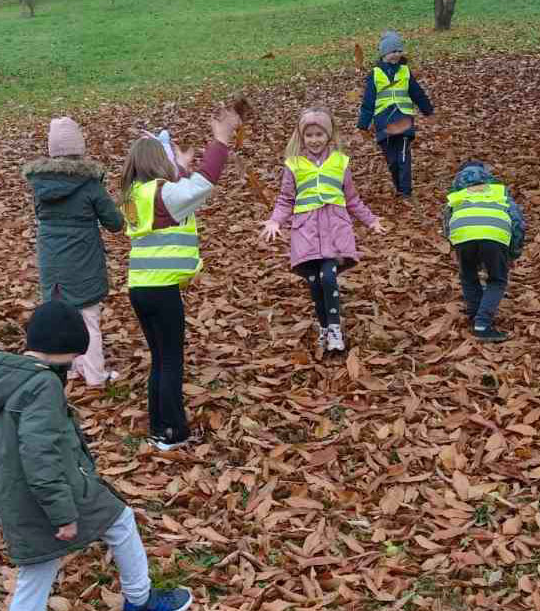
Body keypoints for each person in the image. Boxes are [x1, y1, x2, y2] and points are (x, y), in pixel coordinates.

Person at [0, 300, 193, 611]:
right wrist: (63, 514)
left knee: (41, 568)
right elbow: (40, 456)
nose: (76, 362)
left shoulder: (0, 381)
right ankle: (139, 602)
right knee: (117, 524)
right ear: (62, 347)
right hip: (52, 495)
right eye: (75, 354)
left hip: (21, 498)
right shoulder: (42, 386)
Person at [120, 105, 240, 451]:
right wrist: (220, 140)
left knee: (160, 359)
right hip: (162, 291)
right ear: (160, 163)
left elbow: (178, 195)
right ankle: (173, 431)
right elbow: (202, 185)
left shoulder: (137, 195)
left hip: (140, 288)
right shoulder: (163, 194)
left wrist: (181, 168)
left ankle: (159, 428)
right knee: (171, 359)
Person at [260, 107, 384, 353]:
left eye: (319, 134)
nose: (314, 140)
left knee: (329, 276)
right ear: (301, 137)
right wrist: (275, 221)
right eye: (309, 135)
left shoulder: (340, 162)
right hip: (306, 232)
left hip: (335, 229)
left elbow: (352, 199)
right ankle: (324, 327)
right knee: (315, 281)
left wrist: (371, 220)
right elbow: (286, 199)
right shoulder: (294, 164)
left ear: (328, 135)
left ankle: (335, 328)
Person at [23, 117, 125, 387]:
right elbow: (115, 223)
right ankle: (95, 375)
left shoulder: (40, 185)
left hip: (51, 262)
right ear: (80, 147)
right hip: (83, 261)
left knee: (59, 317)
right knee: (88, 318)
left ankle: (65, 368)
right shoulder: (90, 184)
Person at [443, 161, 526, 342]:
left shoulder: (456, 196)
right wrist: (513, 252)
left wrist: (456, 245)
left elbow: (447, 224)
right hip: (495, 234)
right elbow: (517, 222)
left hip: (463, 235)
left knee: (468, 275)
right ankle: (482, 325)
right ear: (486, 175)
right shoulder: (499, 192)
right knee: (497, 279)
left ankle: (475, 314)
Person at [356, 31, 434, 199]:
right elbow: (368, 101)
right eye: (393, 51)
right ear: (384, 53)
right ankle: (399, 187)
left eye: (399, 51)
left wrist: (427, 110)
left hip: (403, 119)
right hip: (384, 122)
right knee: (392, 160)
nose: (397, 54)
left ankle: (406, 192)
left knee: (404, 156)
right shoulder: (375, 74)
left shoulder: (405, 71)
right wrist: (363, 123)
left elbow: (417, 93)